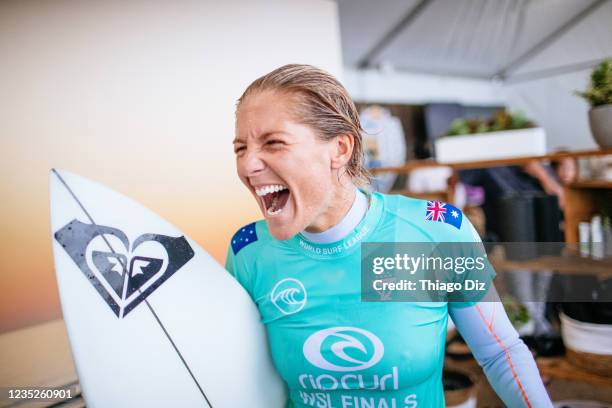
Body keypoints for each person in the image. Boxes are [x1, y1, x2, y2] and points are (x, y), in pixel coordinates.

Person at [226, 64, 552, 408]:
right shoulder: (250, 252)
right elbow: (243, 379)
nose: (248, 166)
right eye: (240, 148)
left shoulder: (434, 233)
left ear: (340, 149)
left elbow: (500, 353)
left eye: (273, 143)